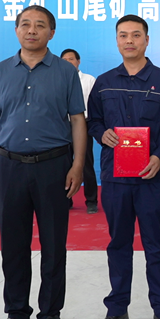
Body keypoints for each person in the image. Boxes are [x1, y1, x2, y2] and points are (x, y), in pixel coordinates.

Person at [0, 5, 86, 319]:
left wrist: (78, 165)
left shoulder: (66, 72)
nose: (32, 30)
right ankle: (16, 310)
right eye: (25, 24)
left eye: (40, 25)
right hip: (9, 167)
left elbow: (77, 120)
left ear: (51, 33)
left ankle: (50, 312)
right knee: (13, 247)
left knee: (54, 247)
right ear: (16, 30)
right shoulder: (0, 71)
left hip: (54, 167)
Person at [87, 15, 160, 319]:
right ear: (117, 40)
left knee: (156, 246)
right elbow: (94, 121)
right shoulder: (104, 83)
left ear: (147, 40)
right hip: (115, 178)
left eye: (136, 35)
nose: (129, 40)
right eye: (123, 35)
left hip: (152, 179)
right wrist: (101, 133)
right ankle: (117, 309)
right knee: (118, 245)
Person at [61, 48, 99, 213]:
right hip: (62, 126)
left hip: (83, 125)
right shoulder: (56, 80)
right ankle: (65, 200)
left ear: (78, 61)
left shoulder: (89, 80)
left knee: (86, 163)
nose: (68, 62)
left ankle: (91, 201)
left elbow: (95, 105)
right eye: (64, 60)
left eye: (71, 59)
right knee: (63, 164)